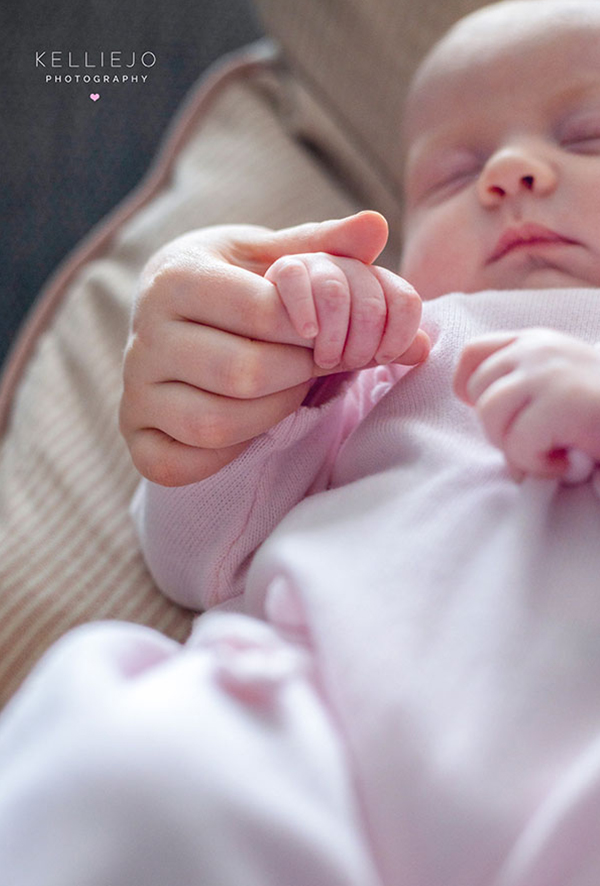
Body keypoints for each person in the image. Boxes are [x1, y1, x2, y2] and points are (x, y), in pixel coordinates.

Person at [4, 2, 600, 884]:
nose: (507, 174)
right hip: (311, 738)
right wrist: (268, 382)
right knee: (135, 758)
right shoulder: (392, 355)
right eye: (449, 174)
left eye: (587, 136)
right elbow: (195, 560)